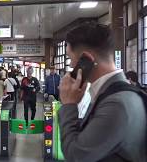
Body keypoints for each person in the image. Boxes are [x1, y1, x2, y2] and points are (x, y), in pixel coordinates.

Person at [59, 22, 146, 161]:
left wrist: (69, 104)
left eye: (70, 58)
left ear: (86, 59)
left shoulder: (116, 104)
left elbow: (76, 155)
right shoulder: (112, 94)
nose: (70, 65)